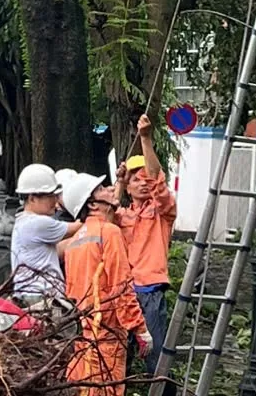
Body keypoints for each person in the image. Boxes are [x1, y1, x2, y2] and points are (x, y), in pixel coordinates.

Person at [62, 172, 153, 396]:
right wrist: (140, 329)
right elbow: (121, 286)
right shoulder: (109, 233)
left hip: (84, 337)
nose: (110, 190)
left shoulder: (75, 244)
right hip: (107, 335)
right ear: (92, 204)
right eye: (102, 188)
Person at [112, 113, 176, 375]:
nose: (141, 182)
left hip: (149, 291)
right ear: (128, 187)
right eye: (134, 179)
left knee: (156, 359)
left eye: (143, 178)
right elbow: (106, 214)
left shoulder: (162, 211)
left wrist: (146, 139)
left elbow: (157, 180)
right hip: (123, 293)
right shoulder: (122, 217)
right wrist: (118, 182)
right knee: (117, 358)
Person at [10, 162, 81, 306]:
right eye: (50, 196)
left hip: (29, 295)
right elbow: (79, 227)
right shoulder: (38, 223)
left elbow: (58, 250)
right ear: (32, 198)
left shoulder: (23, 221)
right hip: (41, 297)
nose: (55, 201)